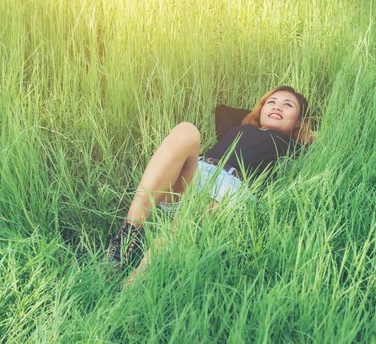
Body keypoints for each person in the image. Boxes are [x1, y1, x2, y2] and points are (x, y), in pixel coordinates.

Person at [107, 86, 315, 275]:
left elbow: (323, 143)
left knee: (190, 218)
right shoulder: (237, 127)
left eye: (288, 105)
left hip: (232, 188)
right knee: (186, 130)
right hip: (200, 172)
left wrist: (304, 130)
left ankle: (135, 282)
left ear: (298, 121)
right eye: (271, 102)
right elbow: (222, 110)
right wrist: (259, 115)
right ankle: (124, 242)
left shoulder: (292, 146)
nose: (277, 107)